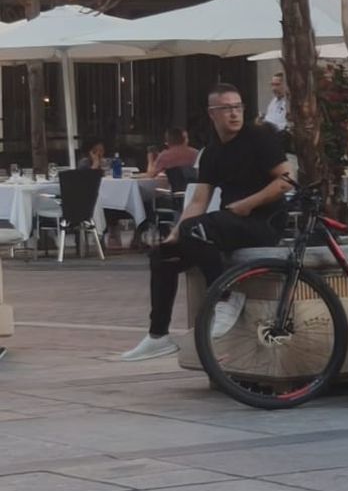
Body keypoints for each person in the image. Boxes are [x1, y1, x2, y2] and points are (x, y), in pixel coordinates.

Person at [117, 84, 292, 362]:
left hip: (264, 222)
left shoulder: (259, 138)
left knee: (198, 229)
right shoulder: (211, 152)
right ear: (212, 113)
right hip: (230, 223)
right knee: (163, 255)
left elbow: (286, 180)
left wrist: (249, 203)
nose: (234, 114)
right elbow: (198, 201)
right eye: (226, 108)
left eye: (238, 107)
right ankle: (158, 335)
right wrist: (175, 232)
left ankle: (226, 297)